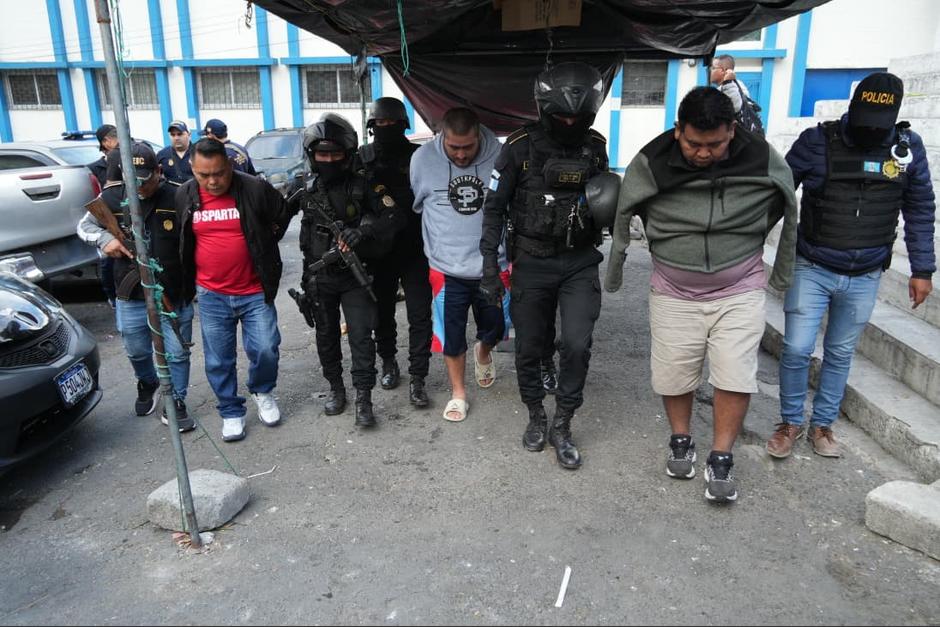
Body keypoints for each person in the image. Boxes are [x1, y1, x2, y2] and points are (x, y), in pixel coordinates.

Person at [605, 86, 798, 502]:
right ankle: (681, 440)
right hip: (674, 290)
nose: (704, 153)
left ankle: (721, 456)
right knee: (674, 373)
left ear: (732, 131)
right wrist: (616, 269)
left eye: (715, 144)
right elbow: (624, 209)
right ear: (678, 130)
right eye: (694, 144)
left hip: (740, 288)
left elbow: (786, 205)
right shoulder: (652, 161)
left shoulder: (760, 157)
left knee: (735, 373)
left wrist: (773, 265)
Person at [767, 72, 935, 460]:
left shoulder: (908, 149)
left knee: (841, 352)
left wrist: (922, 269)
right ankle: (790, 422)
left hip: (867, 272)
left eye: (879, 125)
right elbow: (777, 195)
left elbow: (920, 207)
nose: (870, 131)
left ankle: (822, 425)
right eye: (864, 122)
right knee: (796, 348)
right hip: (813, 265)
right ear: (853, 108)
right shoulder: (817, 140)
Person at [480, 62, 609, 470]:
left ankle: (563, 424)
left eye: (577, 117)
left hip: (579, 262)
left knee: (576, 344)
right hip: (532, 261)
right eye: (562, 116)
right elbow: (493, 209)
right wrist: (489, 266)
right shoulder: (518, 147)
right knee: (530, 345)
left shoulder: (595, 147)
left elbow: (605, 199)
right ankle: (536, 414)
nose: (569, 123)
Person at [175, 137, 290, 442]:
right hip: (211, 293)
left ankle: (262, 390)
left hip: (254, 290)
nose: (213, 181)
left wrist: (265, 245)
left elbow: (282, 214)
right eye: (204, 175)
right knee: (218, 359)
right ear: (192, 168)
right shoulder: (184, 194)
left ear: (229, 165)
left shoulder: (254, 188)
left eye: (219, 173)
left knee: (266, 348)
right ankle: (230, 410)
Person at [76, 142, 196, 431]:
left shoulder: (178, 195)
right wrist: (106, 240)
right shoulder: (111, 197)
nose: (138, 187)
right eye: (132, 180)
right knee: (136, 348)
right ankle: (147, 381)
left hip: (172, 290)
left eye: (144, 179)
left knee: (178, 352)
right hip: (130, 292)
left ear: (158, 171)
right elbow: (84, 227)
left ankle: (176, 400)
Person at [298, 113, 405, 428]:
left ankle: (364, 398)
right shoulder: (305, 187)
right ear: (312, 155)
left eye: (335, 154)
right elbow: (272, 218)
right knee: (326, 336)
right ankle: (336, 388)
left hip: (354, 275)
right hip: (319, 277)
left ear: (347, 153)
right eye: (323, 154)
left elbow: (394, 216)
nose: (329, 160)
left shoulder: (365, 183)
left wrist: (364, 231)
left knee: (361, 337)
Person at [412, 107, 508, 423]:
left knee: (497, 326)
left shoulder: (502, 156)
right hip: (445, 268)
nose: (462, 154)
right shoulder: (422, 160)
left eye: (468, 147)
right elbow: (419, 205)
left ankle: (484, 350)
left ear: (479, 135)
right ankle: (458, 393)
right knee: (450, 335)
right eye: (454, 147)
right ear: (442, 136)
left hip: (493, 265)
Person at [355, 97, 433, 408]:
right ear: (372, 126)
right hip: (378, 251)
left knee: (420, 315)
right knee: (382, 313)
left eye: (392, 123)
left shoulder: (419, 156)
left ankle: (418, 376)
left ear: (403, 125)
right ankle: (388, 361)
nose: (386, 128)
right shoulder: (362, 157)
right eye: (380, 123)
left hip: (415, 247)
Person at [88, 124, 119, 307]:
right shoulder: (94, 169)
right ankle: (113, 298)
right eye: (115, 137)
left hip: (127, 219)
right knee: (108, 260)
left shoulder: (128, 161)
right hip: (106, 222)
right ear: (106, 142)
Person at [156, 120, 194, 185]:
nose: (176, 138)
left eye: (180, 134)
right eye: (173, 135)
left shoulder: (199, 152)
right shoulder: (162, 154)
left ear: (189, 134)